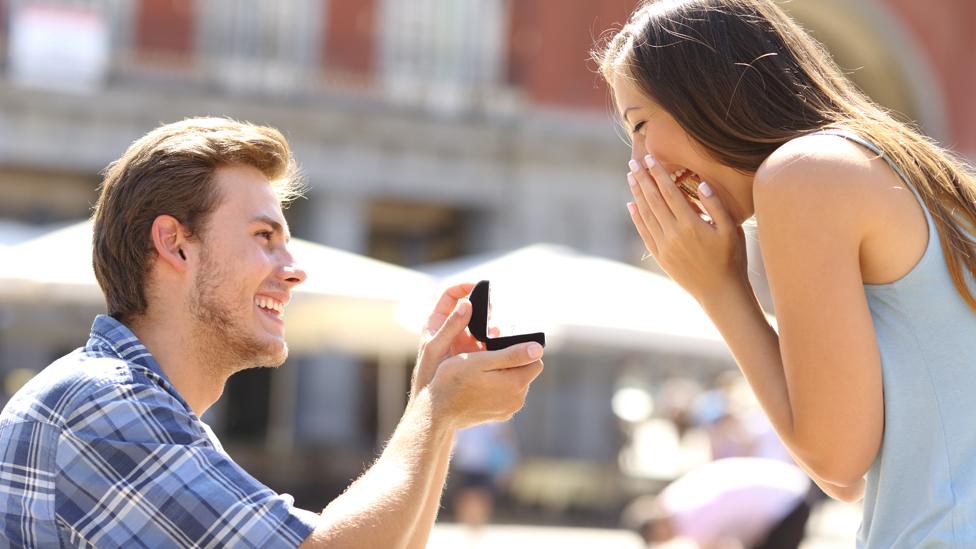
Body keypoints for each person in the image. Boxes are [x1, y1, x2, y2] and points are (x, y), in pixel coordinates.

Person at [0, 117, 544, 548]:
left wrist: (436, 398)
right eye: (265, 235)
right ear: (175, 244)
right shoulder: (102, 405)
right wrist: (434, 410)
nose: (294, 267)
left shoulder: (140, 409)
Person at [592, 0, 976, 546]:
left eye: (640, 125)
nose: (639, 161)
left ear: (707, 92)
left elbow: (838, 464)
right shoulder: (902, 172)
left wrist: (719, 288)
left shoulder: (803, 175)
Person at [621, 457, 813, 549]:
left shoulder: (689, 520)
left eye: (657, 540)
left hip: (785, 505)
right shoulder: (673, 497)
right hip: (786, 486)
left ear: (657, 528)